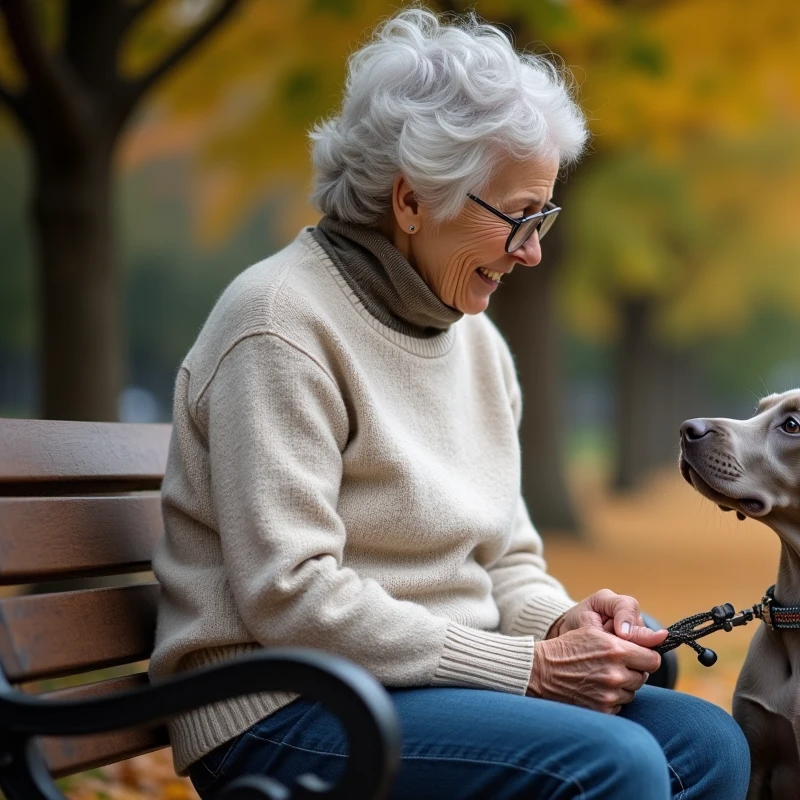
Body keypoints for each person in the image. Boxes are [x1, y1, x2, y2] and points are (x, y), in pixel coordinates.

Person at [149, 8, 750, 799]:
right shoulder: (278, 325)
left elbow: (505, 559)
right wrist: (528, 669)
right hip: (285, 707)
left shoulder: (475, 339)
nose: (533, 251)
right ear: (409, 202)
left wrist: (562, 626)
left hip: (424, 690)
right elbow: (290, 596)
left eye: (545, 218)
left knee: (711, 745)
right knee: (621, 765)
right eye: (518, 217)